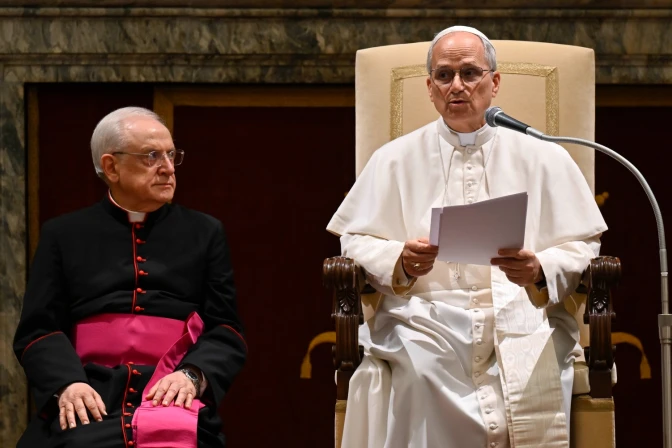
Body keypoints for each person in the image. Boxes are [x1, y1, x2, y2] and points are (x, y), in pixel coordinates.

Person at [327, 26, 607, 447]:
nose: (456, 85)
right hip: (424, 319)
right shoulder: (393, 160)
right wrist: (400, 261)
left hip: (524, 314)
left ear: (495, 82)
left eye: (470, 73)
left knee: (531, 372)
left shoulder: (546, 156)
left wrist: (539, 269)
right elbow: (354, 242)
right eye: (444, 75)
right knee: (419, 375)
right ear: (430, 88)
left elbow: (584, 246)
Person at [13, 107, 246, 448]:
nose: (168, 168)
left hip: (171, 390)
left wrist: (192, 375)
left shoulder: (205, 232)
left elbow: (226, 329)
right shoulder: (63, 234)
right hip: (90, 390)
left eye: (171, 155)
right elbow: (38, 330)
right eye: (152, 156)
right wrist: (67, 384)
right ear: (111, 167)